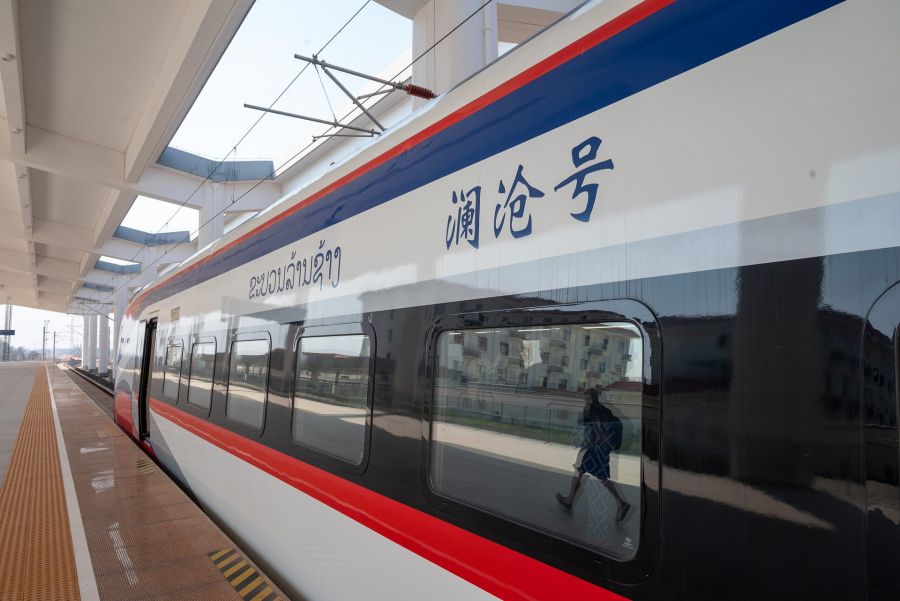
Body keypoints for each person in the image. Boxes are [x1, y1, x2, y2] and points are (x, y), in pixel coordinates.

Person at [556, 387, 631, 525]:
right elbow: (616, 424)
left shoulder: (590, 409)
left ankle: (621, 503)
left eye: (587, 398)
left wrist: (585, 442)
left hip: (594, 449)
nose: (585, 400)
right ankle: (570, 500)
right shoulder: (605, 410)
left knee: (587, 473)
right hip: (602, 449)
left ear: (591, 398)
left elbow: (587, 426)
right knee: (583, 471)